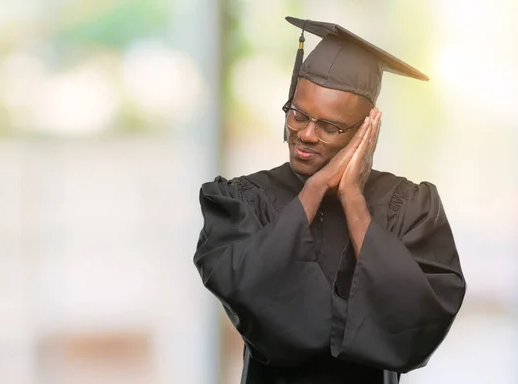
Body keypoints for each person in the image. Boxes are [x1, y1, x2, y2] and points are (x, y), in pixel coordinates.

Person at [193, 17, 466, 384]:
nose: (305, 134)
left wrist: (353, 199)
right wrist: (314, 190)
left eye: (330, 126)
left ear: (366, 130)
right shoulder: (241, 199)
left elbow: (418, 323)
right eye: (298, 114)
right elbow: (246, 290)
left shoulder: (410, 206)